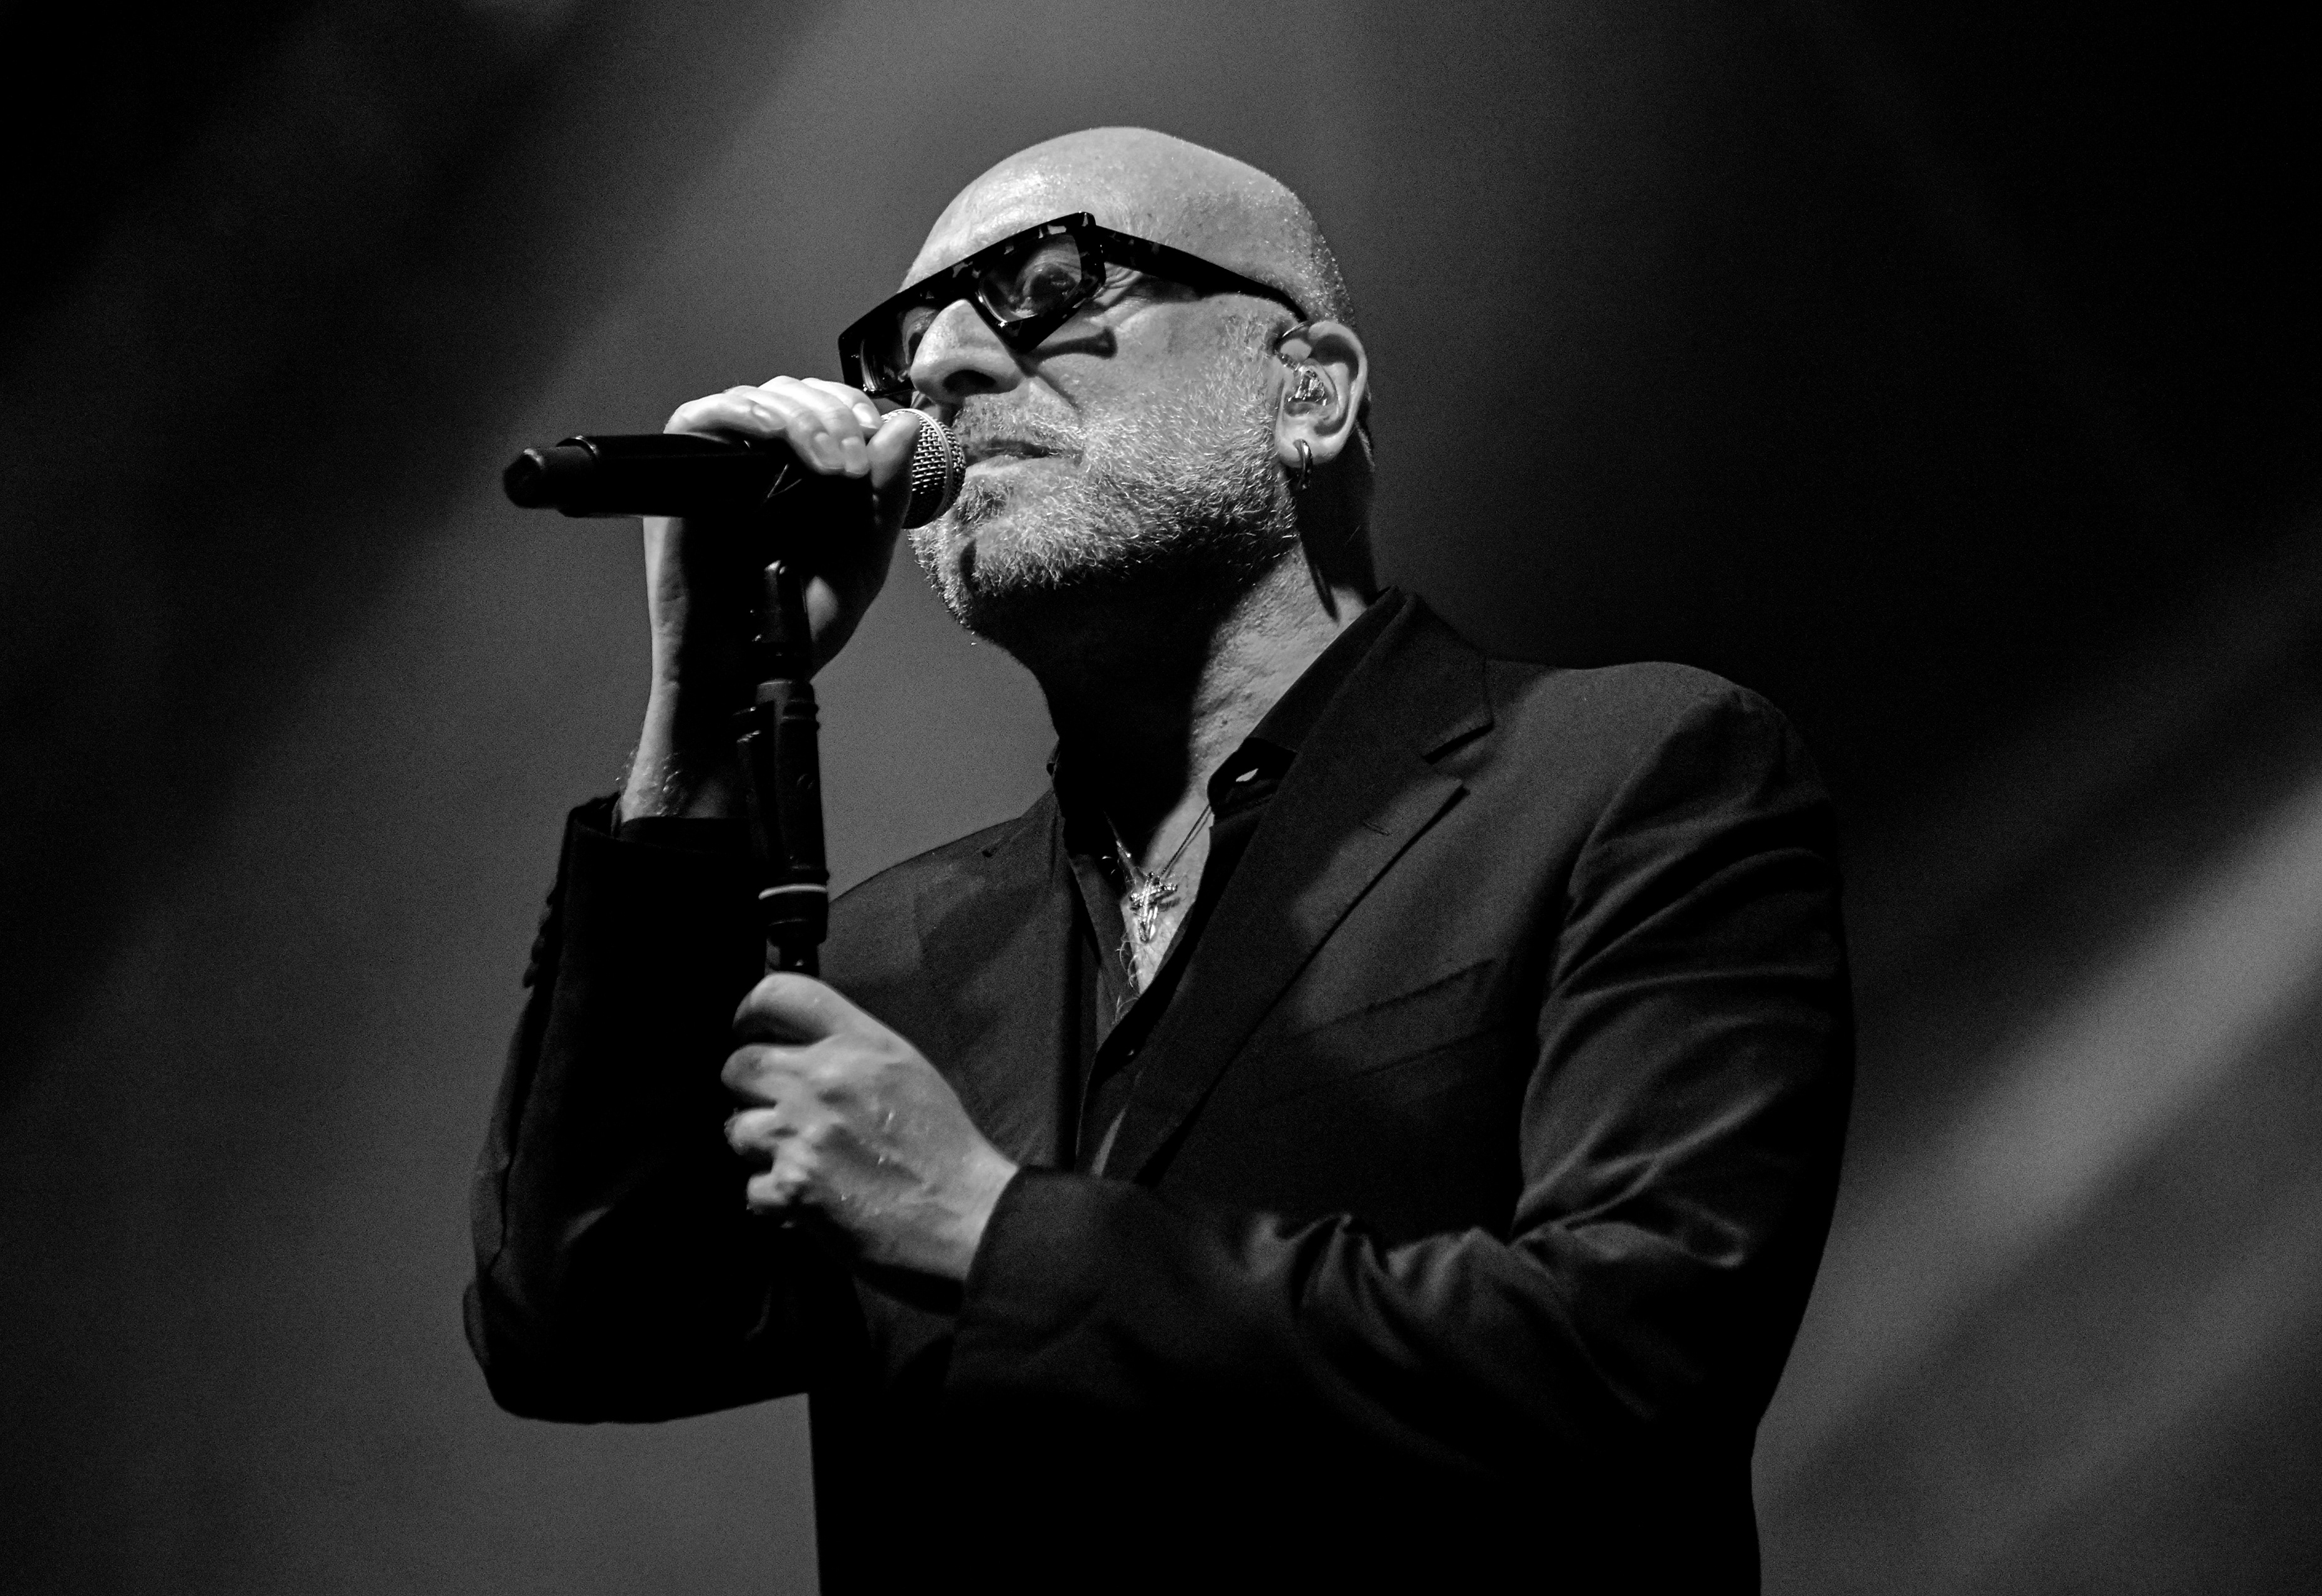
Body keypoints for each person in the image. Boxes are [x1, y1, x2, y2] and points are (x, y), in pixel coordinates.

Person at [466, 126, 1852, 1590]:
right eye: (900, 347)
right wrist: (698, 710)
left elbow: (1631, 1362)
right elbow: (579, 1316)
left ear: (1309, 390)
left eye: (1050, 284)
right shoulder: (898, 961)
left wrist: (992, 1230)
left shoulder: (1625, 777)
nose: (942, 364)